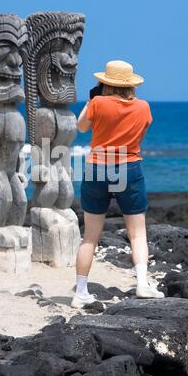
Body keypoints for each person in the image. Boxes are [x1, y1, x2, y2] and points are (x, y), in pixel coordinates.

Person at [71, 60, 164, 309]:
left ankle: (80, 291)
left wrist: (92, 101)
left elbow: (81, 127)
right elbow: (138, 137)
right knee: (137, 233)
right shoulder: (143, 107)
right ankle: (143, 284)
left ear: (105, 83)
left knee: (90, 237)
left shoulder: (97, 103)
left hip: (97, 167)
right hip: (129, 166)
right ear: (130, 84)